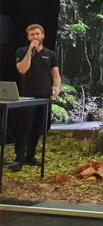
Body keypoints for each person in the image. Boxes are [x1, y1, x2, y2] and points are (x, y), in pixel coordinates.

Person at [13, 23, 61, 168]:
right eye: (32, 34)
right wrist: (30, 51)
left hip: (44, 98)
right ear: (28, 37)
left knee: (38, 128)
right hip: (26, 98)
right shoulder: (21, 51)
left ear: (43, 36)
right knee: (23, 128)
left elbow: (56, 75)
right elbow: (22, 69)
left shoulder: (51, 54)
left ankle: (30, 156)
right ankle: (19, 158)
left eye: (37, 34)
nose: (35, 36)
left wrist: (57, 88)